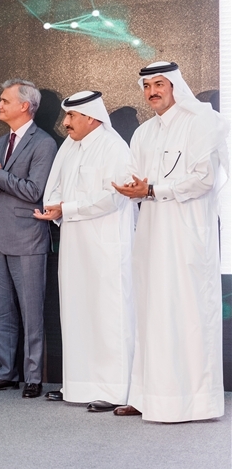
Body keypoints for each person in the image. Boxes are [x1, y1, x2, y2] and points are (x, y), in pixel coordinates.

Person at [111, 62, 228, 422]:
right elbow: (134, 175)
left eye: (159, 84)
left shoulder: (201, 122)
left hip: (187, 235)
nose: (152, 92)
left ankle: (192, 401)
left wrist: (153, 189)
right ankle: (147, 396)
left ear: (175, 86)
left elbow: (203, 179)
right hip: (151, 233)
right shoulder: (144, 133)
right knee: (151, 312)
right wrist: (130, 188)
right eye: (147, 86)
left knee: (187, 313)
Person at [33, 90, 135, 412]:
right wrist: (56, 207)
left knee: (107, 314)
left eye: (71, 116)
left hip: (105, 247)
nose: (65, 123)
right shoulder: (69, 147)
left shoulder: (114, 147)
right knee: (76, 312)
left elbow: (114, 197)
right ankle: (77, 386)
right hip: (74, 244)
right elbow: (55, 187)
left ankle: (114, 390)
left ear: (91, 117)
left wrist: (68, 207)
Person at [0, 79, 57, 398]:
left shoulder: (44, 143)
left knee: (31, 312)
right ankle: (5, 373)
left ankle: (33, 376)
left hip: (28, 240)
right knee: (3, 312)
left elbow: (35, 191)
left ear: (24, 106)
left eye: (5, 100)